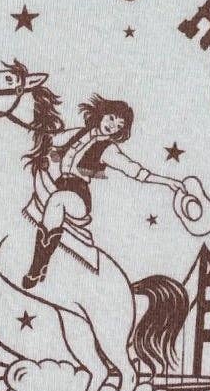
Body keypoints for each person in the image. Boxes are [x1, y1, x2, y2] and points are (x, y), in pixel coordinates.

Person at [23, 95, 175, 286]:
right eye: (111, 118)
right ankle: (42, 263)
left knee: (57, 200)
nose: (112, 126)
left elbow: (133, 169)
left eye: (119, 126)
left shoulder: (108, 149)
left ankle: (36, 267)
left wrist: (167, 181)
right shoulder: (79, 133)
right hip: (60, 185)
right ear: (102, 114)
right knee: (55, 197)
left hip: (78, 195)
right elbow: (53, 141)